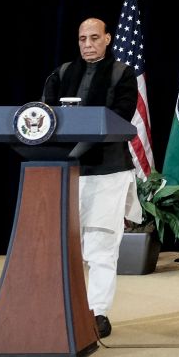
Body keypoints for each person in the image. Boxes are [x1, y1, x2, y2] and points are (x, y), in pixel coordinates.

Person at [42, 17, 141, 339]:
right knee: (65, 246)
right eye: (82, 38)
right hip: (66, 170)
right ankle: (63, 307)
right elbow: (45, 115)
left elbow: (122, 116)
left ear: (108, 39)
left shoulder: (121, 74)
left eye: (94, 37)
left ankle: (98, 311)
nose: (87, 44)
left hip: (107, 172)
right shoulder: (62, 73)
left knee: (100, 246)